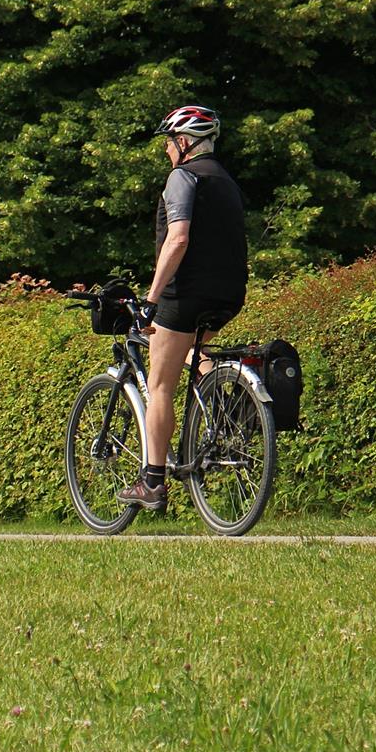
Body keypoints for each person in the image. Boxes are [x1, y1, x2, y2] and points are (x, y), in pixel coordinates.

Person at [117, 105, 248, 510]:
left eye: (169, 143)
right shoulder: (226, 181)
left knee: (160, 385)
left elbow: (178, 239)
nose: (167, 152)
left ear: (185, 143)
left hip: (184, 294)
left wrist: (152, 300)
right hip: (230, 293)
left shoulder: (182, 176)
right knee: (194, 349)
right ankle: (224, 404)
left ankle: (152, 481)